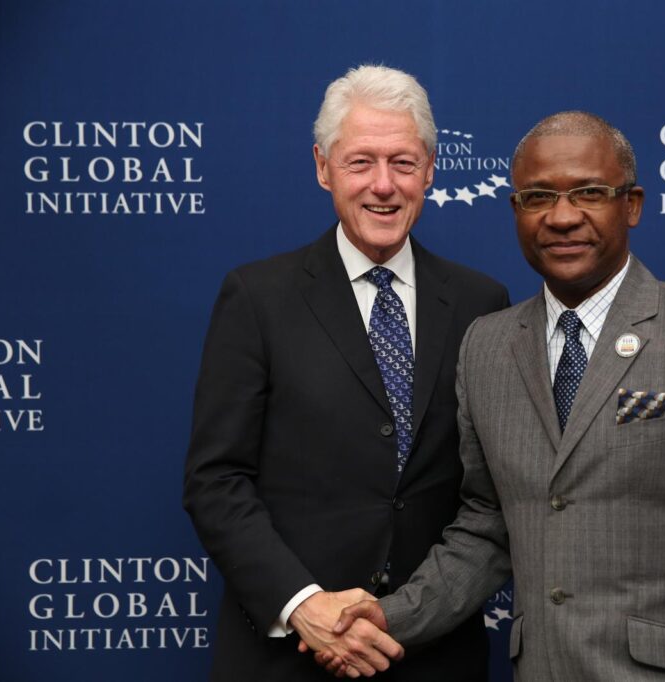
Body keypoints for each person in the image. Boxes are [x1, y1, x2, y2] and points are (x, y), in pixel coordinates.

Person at [328, 111, 665, 681]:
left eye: (590, 193)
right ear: (516, 211)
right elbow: (490, 525)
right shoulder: (486, 347)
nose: (562, 217)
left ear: (632, 205)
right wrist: (390, 618)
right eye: (538, 197)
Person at [182, 65, 508, 681]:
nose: (383, 185)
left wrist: (408, 614)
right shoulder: (257, 298)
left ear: (430, 170)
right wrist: (304, 606)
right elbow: (216, 480)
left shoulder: (481, 303)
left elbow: (486, 493)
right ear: (323, 167)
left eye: (403, 163)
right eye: (361, 162)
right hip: (288, 657)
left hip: (433, 657)